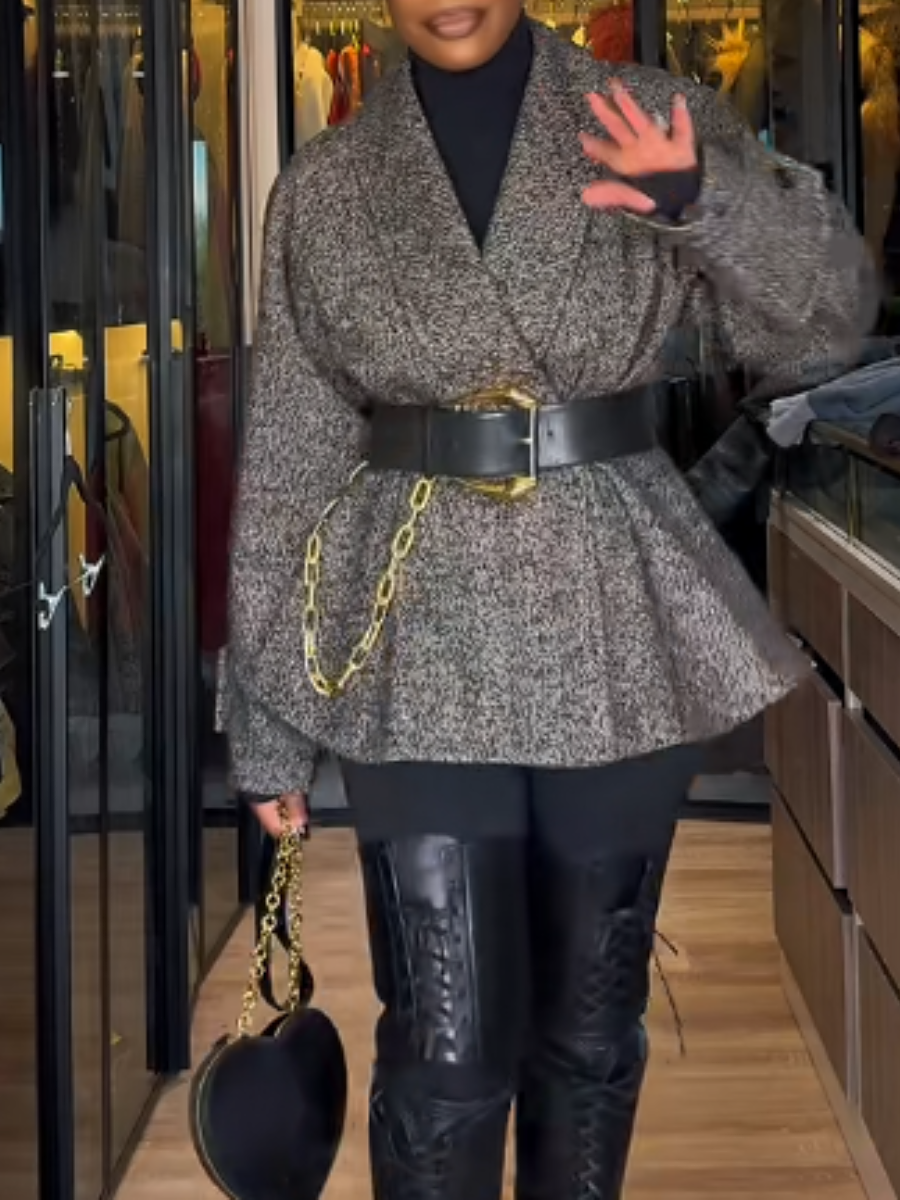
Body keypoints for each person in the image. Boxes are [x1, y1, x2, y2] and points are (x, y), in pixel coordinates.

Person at [222, 1, 875, 1196]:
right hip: (414, 629)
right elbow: (290, 460)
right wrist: (267, 722)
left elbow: (830, 322)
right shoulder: (327, 186)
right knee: (445, 1050)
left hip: (611, 613)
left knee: (589, 1032)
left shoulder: (649, 118)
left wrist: (705, 201)